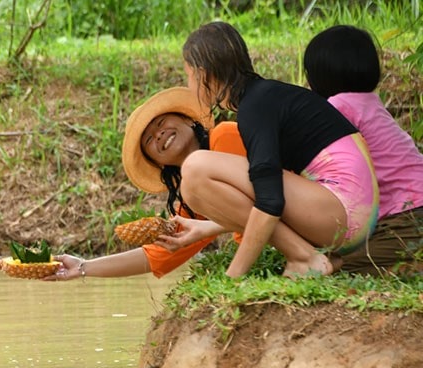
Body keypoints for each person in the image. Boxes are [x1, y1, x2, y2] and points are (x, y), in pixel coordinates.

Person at [174, 21, 379, 278]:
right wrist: (208, 227)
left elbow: (270, 200)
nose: (189, 85)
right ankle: (306, 255)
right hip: (351, 219)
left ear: (203, 74)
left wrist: (233, 275)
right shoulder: (265, 96)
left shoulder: (256, 107)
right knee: (192, 187)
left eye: (188, 75)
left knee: (196, 167)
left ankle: (304, 258)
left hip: (343, 213)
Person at [45, 87, 246, 281]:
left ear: (187, 119)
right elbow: (160, 253)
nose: (158, 134)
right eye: (149, 139)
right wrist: (83, 266)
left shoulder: (224, 136)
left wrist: (210, 227)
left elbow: (263, 197)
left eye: (161, 122)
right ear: (157, 161)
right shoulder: (194, 192)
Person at [303, 25, 423, 275]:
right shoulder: (369, 102)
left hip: (408, 214)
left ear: (321, 74)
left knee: (341, 267)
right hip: (412, 206)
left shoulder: (338, 106)